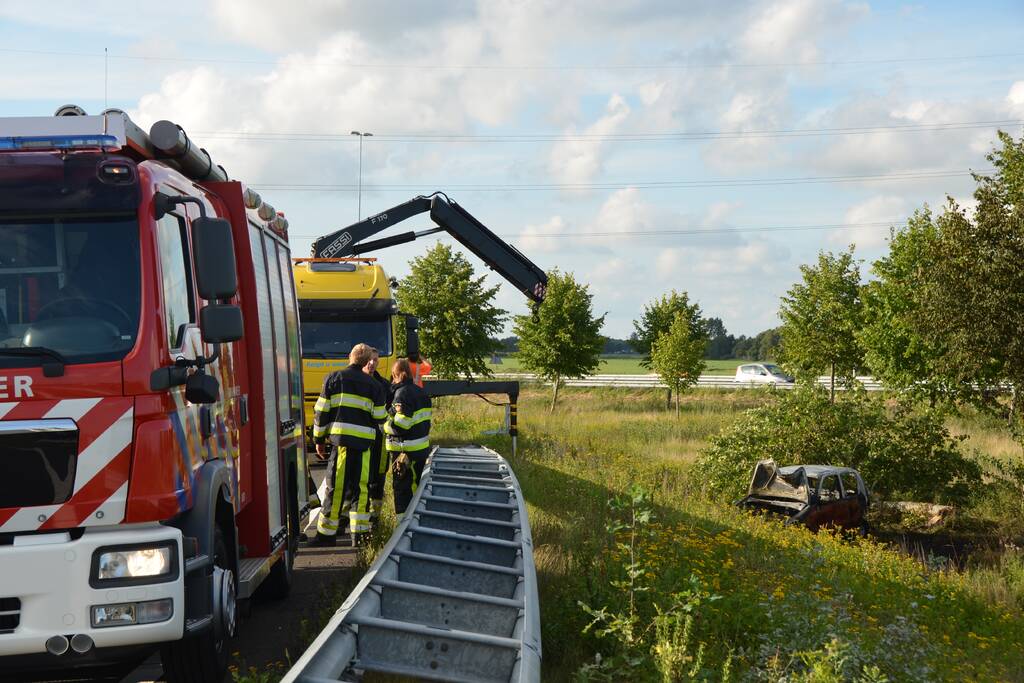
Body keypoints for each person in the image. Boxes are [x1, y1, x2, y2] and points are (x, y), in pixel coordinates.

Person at [310, 343, 387, 547]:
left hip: (341, 444)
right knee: (361, 489)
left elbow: (321, 413)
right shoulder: (375, 386)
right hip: (364, 447)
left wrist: (318, 440)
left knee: (336, 489)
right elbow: (380, 417)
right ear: (365, 361)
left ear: (350, 357)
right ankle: (359, 537)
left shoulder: (333, 378)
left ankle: (326, 536)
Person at [385, 358, 433, 515]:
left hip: (404, 450)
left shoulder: (401, 394)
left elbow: (402, 426)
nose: (393, 379)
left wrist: (385, 426)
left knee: (402, 488)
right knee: (419, 485)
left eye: (394, 375)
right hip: (421, 448)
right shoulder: (421, 392)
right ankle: (421, 517)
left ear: (399, 374)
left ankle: (402, 524)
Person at [363, 347, 392, 529]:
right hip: (359, 439)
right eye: (369, 359)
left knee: (378, 477)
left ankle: (376, 517)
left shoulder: (384, 385)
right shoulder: (354, 382)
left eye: (376, 359)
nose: (372, 363)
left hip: (379, 439)